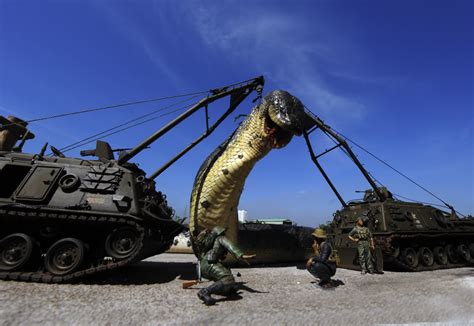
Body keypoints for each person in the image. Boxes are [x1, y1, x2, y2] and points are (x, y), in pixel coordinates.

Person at [195, 226, 255, 306]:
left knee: (227, 277)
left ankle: (227, 290)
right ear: (220, 232)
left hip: (203, 265)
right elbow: (230, 246)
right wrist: (241, 256)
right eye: (223, 232)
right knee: (228, 279)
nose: (224, 233)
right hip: (209, 263)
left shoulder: (210, 243)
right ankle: (205, 291)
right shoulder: (220, 238)